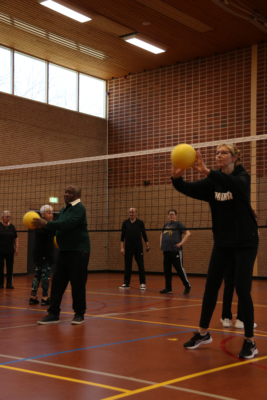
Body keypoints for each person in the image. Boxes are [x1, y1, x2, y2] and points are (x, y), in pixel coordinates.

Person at [172, 143, 259, 359]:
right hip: (223, 242)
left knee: (242, 289)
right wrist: (176, 178)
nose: (219, 155)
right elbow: (188, 189)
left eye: (224, 152)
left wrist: (208, 172)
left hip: (245, 241)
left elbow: (235, 185)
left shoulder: (242, 177)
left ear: (235, 157)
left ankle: (250, 341)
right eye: (217, 153)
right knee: (211, 285)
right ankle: (203, 333)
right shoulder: (212, 182)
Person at [34, 185, 90, 325]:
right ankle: (53, 313)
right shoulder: (65, 209)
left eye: (69, 192)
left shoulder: (79, 208)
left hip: (78, 251)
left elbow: (66, 224)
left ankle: (79, 314)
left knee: (77, 283)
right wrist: (44, 227)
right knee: (57, 283)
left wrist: (46, 223)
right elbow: (58, 229)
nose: (66, 194)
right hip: (64, 251)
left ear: (77, 195)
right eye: (65, 192)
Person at [160, 209, 191, 294]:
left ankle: (187, 285)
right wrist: (161, 244)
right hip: (166, 250)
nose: (171, 216)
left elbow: (188, 233)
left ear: (176, 216)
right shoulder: (166, 224)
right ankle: (168, 288)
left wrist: (180, 243)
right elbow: (162, 234)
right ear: (168, 216)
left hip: (175, 251)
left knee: (179, 269)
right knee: (167, 270)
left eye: (173, 214)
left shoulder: (178, 224)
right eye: (170, 214)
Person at [29, 205, 54, 306]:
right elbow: (53, 231)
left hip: (38, 254)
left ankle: (33, 297)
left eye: (52, 213)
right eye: (49, 213)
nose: (51, 215)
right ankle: (45, 298)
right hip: (44, 254)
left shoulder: (40, 224)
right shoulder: (44, 225)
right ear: (42, 214)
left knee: (37, 275)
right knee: (46, 276)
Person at [220, 260, 257, 329]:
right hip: (242, 255)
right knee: (243, 286)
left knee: (228, 287)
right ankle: (241, 319)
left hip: (229, 255)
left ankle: (226, 318)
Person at [120, 207, 150, 290]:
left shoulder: (140, 223)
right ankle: (126, 283)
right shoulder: (125, 223)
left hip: (138, 247)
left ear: (136, 213)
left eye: (132, 212)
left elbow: (144, 235)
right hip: (128, 247)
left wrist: (148, 247)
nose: (131, 214)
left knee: (140, 265)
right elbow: (122, 236)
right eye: (130, 212)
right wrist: (122, 248)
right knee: (127, 265)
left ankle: (142, 283)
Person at [0, 211, 18, 289]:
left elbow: (16, 238)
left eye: (9, 217)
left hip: (10, 250)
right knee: (0, 267)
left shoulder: (12, 227)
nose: (8, 218)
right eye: (7, 217)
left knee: (10, 267)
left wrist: (16, 248)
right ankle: (0, 284)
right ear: (2, 217)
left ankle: (9, 284)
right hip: (0, 251)